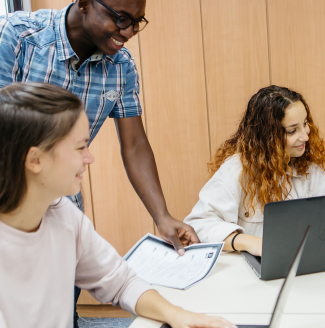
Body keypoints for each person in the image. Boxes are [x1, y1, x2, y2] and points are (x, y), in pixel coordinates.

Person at [0, 2, 197, 324]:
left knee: (61, 312)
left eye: (137, 22)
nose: (129, 31)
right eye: (121, 19)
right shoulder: (20, 37)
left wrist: (162, 216)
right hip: (14, 203)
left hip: (50, 200)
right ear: (85, 4)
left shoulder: (66, 218)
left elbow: (134, 144)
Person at [0, 82, 235, 328]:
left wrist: (178, 316)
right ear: (35, 160)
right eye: (80, 147)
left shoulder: (65, 215)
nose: (89, 158)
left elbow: (121, 282)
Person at [184, 85, 325, 255]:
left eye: (305, 123)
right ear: (268, 136)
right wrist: (250, 243)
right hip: (250, 272)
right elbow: (198, 225)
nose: (306, 136)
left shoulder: (311, 169)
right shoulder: (237, 170)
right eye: (292, 131)